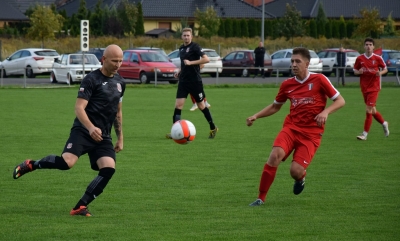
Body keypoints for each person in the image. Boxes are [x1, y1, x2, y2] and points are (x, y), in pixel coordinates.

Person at [12, 44, 125, 216]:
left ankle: (80, 206)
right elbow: (79, 108)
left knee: (109, 168)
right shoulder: (91, 79)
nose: (118, 65)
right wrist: (90, 127)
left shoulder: (120, 83)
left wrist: (120, 138)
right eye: (114, 61)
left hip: (103, 135)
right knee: (67, 163)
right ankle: (32, 164)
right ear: (103, 60)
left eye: (120, 61)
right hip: (83, 130)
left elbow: (118, 112)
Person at [247, 47, 345, 206]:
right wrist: (256, 116)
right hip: (291, 129)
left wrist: (325, 112)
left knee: (295, 171)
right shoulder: (287, 84)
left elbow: (340, 101)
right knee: (274, 156)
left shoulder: (319, 79)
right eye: (292, 61)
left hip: (311, 134)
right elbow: (275, 106)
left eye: (297, 61)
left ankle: (300, 177)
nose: (293, 64)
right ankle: (260, 198)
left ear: (307, 64)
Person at [166, 27, 218, 139]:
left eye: (188, 35)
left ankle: (213, 127)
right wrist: (179, 71)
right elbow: (184, 64)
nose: (186, 37)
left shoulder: (195, 47)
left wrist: (191, 62)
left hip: (195, 82)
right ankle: (175, 131)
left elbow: (206, 59)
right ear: (181, 36)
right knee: (178, 105)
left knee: (201, 105)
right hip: (183, 81)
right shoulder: (181, 49)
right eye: (184, 35)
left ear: (191, 36)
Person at [353, 37, 389, 141]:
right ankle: (384, 123)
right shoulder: (360, 59)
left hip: (374, 87)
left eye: (370, 45)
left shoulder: (377, 58)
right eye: (366, 45)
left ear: (373, 47)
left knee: (368, 109)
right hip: (364, 87)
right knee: (373, 110)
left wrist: (380, 73)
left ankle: (364, 134)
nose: (368, 46)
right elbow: (355, 70)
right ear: (364, 46)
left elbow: (385, 69)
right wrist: (358, 72)